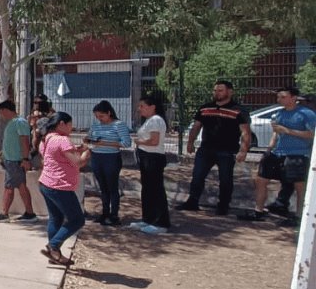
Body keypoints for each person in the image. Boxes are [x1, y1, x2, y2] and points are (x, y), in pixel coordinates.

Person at [239, 86, 315, 227]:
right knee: (261, 179)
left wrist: (288, 131)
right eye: (278, 97)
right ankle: (259, 211)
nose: (279, 99)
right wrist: (268, 150)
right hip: (277, 153)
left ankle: (299, 216)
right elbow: (276, 133)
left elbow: (312, 135)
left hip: (297, 153)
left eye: (283, 97)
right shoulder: (279, 113)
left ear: (294, 98)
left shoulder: (306, 114)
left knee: (299, 186)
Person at [179, 80, 251, 215]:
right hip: (206, 149)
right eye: (215, 90)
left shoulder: (238, 110)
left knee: (225, 179)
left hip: (227, 150)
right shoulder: (205, 108)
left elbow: (245, 132)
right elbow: (196, 127)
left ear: (230, 92)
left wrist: (243, 150)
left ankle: (223, 206)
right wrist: (190, 142)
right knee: (197, 176)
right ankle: (192, 201)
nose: (216, 93)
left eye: (220, 90)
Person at [38, 112, 91, 266]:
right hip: (60, 186)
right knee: (77, 219)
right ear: (62, 124)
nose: (71, 128)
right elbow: (78, 163)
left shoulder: (46, 139)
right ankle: (53, 245)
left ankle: (55, 255)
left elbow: (58, 156)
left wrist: (77, 149)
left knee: (56, 218)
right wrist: (87, 151)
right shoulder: (62, 140)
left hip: (46, 184)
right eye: (70, 124)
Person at [84, 100, 132, 226]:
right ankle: (105, 212)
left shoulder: (118, 125)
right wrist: (88, 140)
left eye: (102, 116)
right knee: (103, 188)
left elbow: (126, 143)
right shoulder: (95, 125)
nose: (99, 119)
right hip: (96, 157)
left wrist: (105, 143)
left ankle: (114, 214)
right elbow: (90, 138)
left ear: (109, 113)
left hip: (111, 158)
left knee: (112, 187)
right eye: (97, 116)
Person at [0, 101, 37, 222]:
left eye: (1, 112)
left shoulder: (19, 122)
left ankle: (4, 213)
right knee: (21, 187)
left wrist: (25, 159)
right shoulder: (13, 123)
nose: (1, 115)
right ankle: (30, 213)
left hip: (16, 161)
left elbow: (24, 141)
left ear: (6, 110)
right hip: (12, 160)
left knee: (9, 187)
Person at [131, 94, 171, 234]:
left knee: (156, 189)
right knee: (147, 189)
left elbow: (154, 141)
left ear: (152, 107)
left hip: (153, 157)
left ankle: (161, 223)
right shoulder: (149, 120)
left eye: (142, 106)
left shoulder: (155, 120)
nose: (139, 109)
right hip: (146, 156)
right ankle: (148, 219)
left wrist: (139, 142)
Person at [29, 95, 54, 165]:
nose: (36, 104)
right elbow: (32, 123)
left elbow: (53, 118)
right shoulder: (34, 111)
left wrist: (42, 115)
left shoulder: (50, 110)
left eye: (38, 103)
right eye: (35, 102)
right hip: (36, 132)